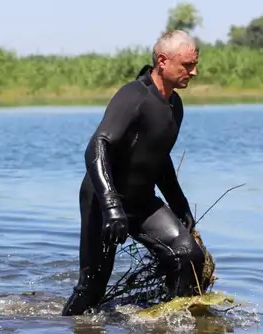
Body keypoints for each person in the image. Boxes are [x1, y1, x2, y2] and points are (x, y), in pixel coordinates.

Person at [62, 30, 203, 316]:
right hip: (103, 200)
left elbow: (158, 158)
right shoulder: (133, 96)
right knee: (92, 289)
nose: (194, 71)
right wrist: (112, 207)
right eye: (187, 65)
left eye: (194, 64)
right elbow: (96, 147)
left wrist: (179, 203)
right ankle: (68, 333)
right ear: (162, 61)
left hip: (141, 201)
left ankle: (170, 325)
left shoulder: (174, 106)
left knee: (189, 255)